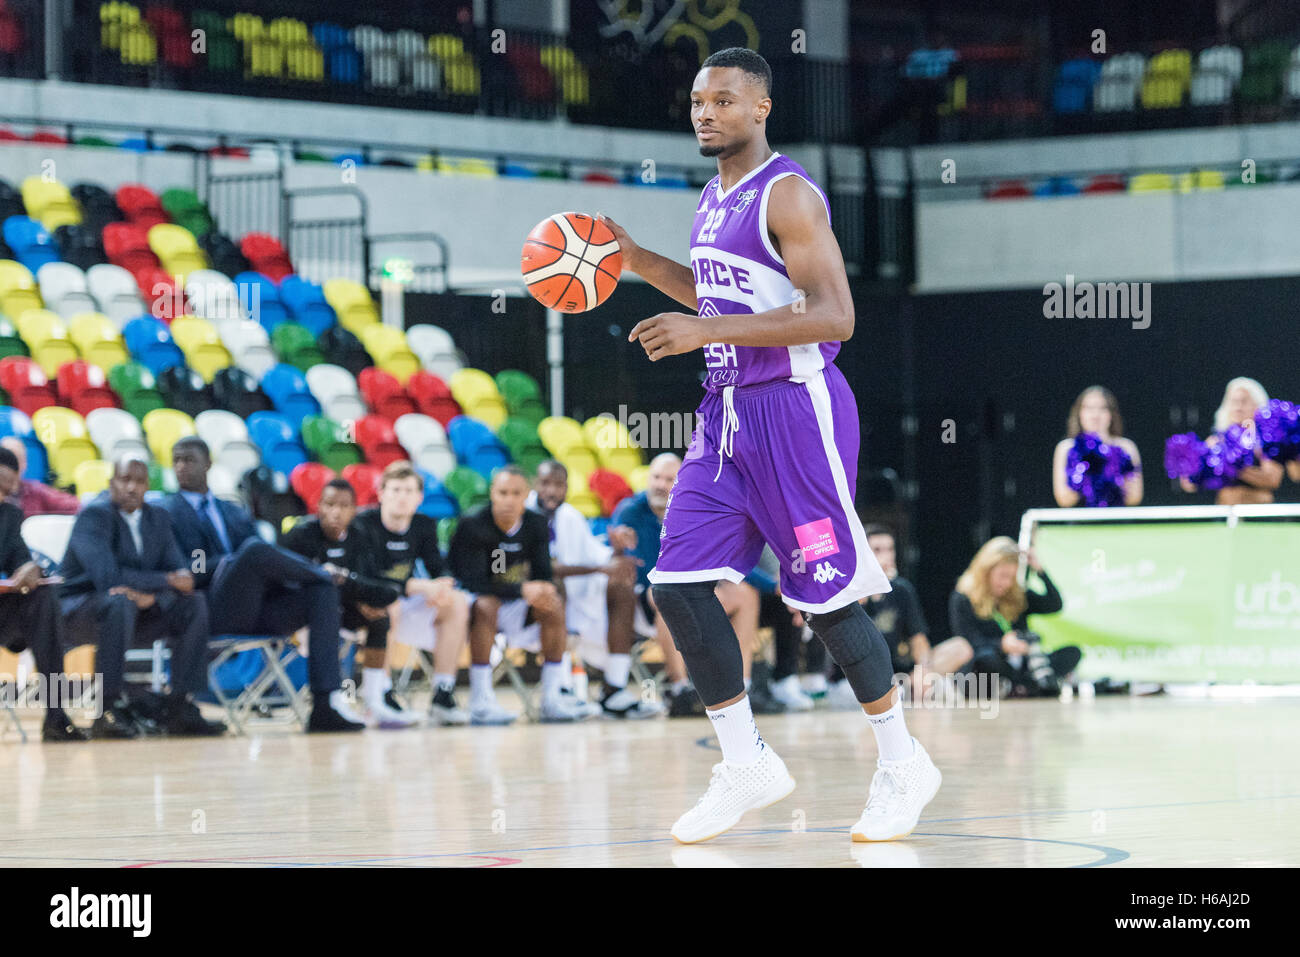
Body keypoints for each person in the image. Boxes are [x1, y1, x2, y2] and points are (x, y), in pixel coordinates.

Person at [600, 46, 940, 844]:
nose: (705, 112)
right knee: (676, 584)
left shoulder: (787, 194)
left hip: (796, 409)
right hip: (724, 415)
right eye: (696, 101)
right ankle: (744, 758)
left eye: (723, 99)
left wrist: (703, 330)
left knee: (821, 600)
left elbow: (834, 316)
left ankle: (901, 761)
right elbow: (719, 292)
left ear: (761, 108)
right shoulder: (712, 197)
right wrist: (641, 262)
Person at [163, 437, 364, 733]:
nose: (181, 466)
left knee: (320, 592)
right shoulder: (167, 512)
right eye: (176, 460)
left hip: (257, 606)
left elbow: (261, 561)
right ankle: (323, 572)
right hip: (210, 608)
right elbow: (188, 569)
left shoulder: (231, 510)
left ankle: (324, 704)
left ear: (208, 463)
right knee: (255, 551)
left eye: (189, 459)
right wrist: (229, 563)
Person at [58, 457, 222, 738]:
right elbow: (107, 578)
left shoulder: (157, 518)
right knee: (119, 601)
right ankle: (106, 708)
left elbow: (181, 573)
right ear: (112, 483)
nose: (131, 488)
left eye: (138, 481)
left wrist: (154, 596)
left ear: (148, 486)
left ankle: (179, 706)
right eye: (125, 480)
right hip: (80, 611)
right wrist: (165, 582)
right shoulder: (93, 516)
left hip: (135, 610)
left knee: (193, 603)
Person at [609, 453, 768, 718]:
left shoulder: (695, 510)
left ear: (682, 483)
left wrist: (774, 585)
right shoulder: (629, 510)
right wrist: (617, 547)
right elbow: (623, 554)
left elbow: (727, 558)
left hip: (693, 591)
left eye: (668, 479)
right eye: (656, 477)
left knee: (745, 593)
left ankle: (743, 684)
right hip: (645, 600)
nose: (660, 484)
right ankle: (681, 688)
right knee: (663, 592)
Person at [447, 465, 595, 724]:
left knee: (553, 602)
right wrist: (523, 589)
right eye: (503, 492)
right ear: (492, 493)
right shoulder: (472, 524)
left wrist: (543, 589)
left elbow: (543, 573)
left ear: (526, 495)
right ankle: (480, 700)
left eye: (516, 493)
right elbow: (475, 582)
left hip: (516, 605)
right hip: (473, 606)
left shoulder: (536, 523)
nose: (509, 500)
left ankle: (553, 696)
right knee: (486, 604)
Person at [281, 477, 430, 727]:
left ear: (354, 510)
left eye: (343, 506)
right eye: (329, 505)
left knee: (380, 617)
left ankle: (375, 700)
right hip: (303, 614)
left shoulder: (360, 537)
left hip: (343, 609)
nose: (335, 512)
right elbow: (285, 581)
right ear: (318, 506)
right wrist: (353, 589)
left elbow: (379, 586)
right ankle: (333, 698)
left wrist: (353, 590)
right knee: (329, 611)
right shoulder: (301, 535)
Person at [529, 459, 663, 719]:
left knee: (622, 585)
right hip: (532, 604)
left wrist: (618, 551)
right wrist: (602, 569)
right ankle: (560, 688)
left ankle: (614, 689)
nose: (552, 491)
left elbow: (596, 557)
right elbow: (545, 569)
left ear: (567, 488)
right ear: (536, 484)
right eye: (546, 483)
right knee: (554, 586)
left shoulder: (570, 516)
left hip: (576, 599)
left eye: (559, 485)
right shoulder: (523, 514)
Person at [350, 462, 470, 726]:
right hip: (367, 610)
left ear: (419, 498)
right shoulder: (362, 524)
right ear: (381, 493)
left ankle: (443, 692)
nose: (401, 496)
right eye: (395, 489)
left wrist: (441, 586)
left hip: (406, 606)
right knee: (388, 602)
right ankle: (380, 693)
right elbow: (367, 578)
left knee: (457, 602)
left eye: (408, 491)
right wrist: (416, 586)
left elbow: (437, 567)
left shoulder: (423, 524)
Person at [0, 446, 84, 741]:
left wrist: (30, 569)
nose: (2, 496)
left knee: (44, 599)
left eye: (8, 491)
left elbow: (20, 557)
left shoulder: (8, 514)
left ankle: (56, 717)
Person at [948, 536, 1078, 697]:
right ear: (985, 571)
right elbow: (966, 643)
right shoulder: (963, 597)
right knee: (987, 660)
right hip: (991, 663)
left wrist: (1039, 570)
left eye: (1012, 577)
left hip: (1023, 663)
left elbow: (1054, 604)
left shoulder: (1016, 595)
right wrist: (1002, 645)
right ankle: (1031, 685)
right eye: (1003, 575)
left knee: (1072, 652)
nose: (1008, 583)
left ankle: (1024, 685)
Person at [1179, 377, 1283, 505]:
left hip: (1258, 515)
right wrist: (1192, 466)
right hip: (1224, 514)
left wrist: (1235, 468)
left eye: (1244, 401)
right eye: (1234, 402)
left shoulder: (1265, 441)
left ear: (1258, 406)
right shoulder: (1216, 441)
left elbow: (1273, 480)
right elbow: (1188, 484)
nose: (1238, 407)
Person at [1052, 386, 1143, 507]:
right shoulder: (1066, 448)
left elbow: (1135, 498)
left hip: (1117, 521)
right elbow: (1063, 500)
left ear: (1111, 414)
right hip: (1080, 522)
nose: (1095, 415)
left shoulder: (1126, 447)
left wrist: (1112, 477)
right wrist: (1086, 476)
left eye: (1102, 408)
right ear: (1079, 413)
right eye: (1088, 408)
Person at [0, 436, 80, 519]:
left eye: (19, 459)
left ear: (25, 464)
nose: (14, 465)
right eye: (8, 460)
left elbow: (74, 505)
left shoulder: (35, 490)